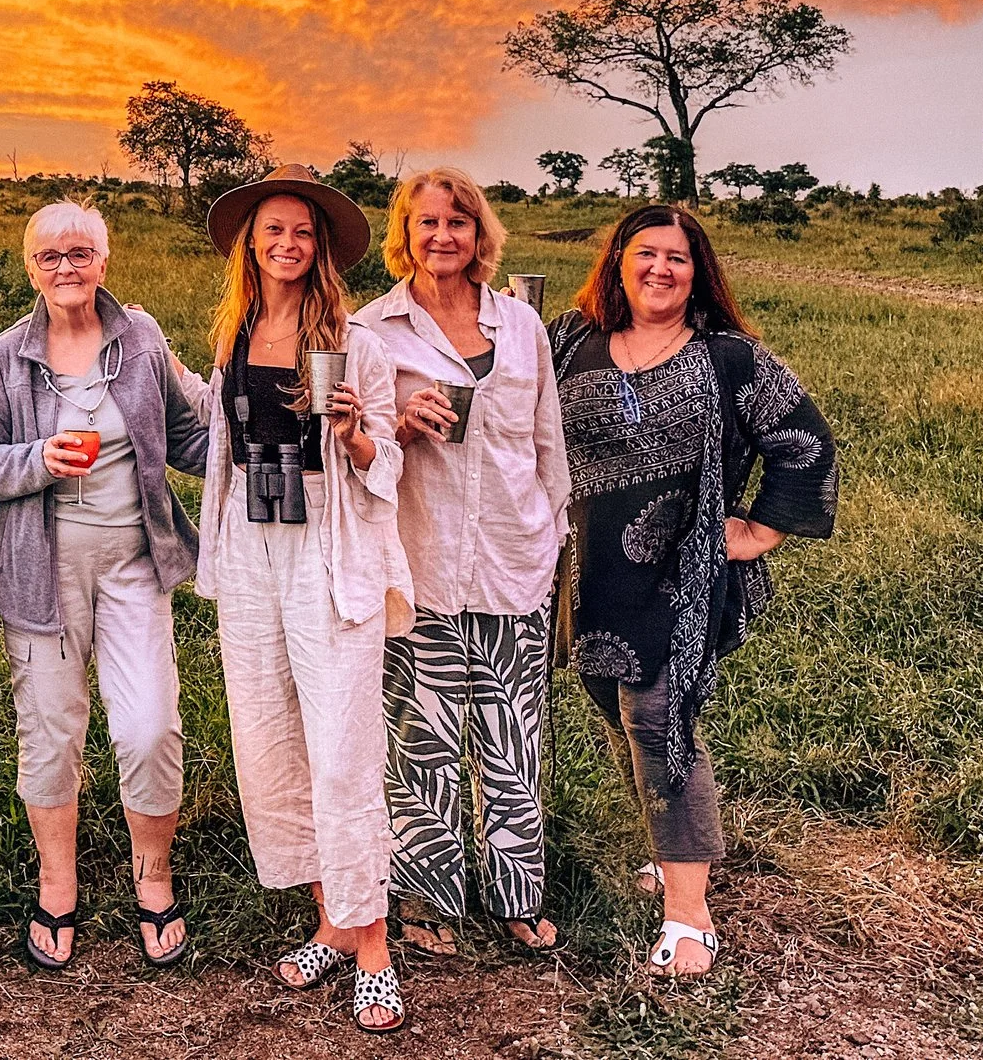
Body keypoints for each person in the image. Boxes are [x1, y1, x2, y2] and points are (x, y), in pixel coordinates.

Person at [551, 205, 837, 977]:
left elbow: (805, 439)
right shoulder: (569, 340)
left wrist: (760, 530)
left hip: (681, 572)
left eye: (677, 257)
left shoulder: (730, 357)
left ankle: (689, 911)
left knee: (659, 717)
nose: (660, 268)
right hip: (586, 570)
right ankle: (669, 849)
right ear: (618, 262)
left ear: (697, 269)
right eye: (646, 253)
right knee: (614, 711)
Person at [193, 165, 414, 1034]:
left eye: (302, 232)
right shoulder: (235, 329)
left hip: (328, 540)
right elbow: (220, 445)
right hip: (251, 540)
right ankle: (329, 915)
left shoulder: (355, 342)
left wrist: (357, 432)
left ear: (321, 247)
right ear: (251, 241)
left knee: (342, 744)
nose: (286, 244)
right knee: (270, 736)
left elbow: (386, 461)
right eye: (272, 230)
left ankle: (375, 948)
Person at [0, 201, 210, 972]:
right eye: (50, 256)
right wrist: (40, 457)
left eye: (81, 252)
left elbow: (186, 436)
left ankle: (154, 878)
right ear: (29, 266)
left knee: (149, 725)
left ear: (105, 261)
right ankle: (57, 883)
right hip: (39, 566)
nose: (67, 267)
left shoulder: (141, 339)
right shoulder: (5, 357)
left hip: (133, 562)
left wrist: (264, 425)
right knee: (50, 729)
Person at [353, 169, 567, 958]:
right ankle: (427, 893)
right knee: (424, 735)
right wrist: (403, 422)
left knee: (515, 733)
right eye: (426, 223)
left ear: (481, 234)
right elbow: (357, 453)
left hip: (516, 557)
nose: (442, 236)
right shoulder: (371, 329)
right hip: (424, 560)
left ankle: (518, 891)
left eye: (458, 222)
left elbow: (547, 443)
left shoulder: (521, 325)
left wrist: (552, 534)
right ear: (402, 235)